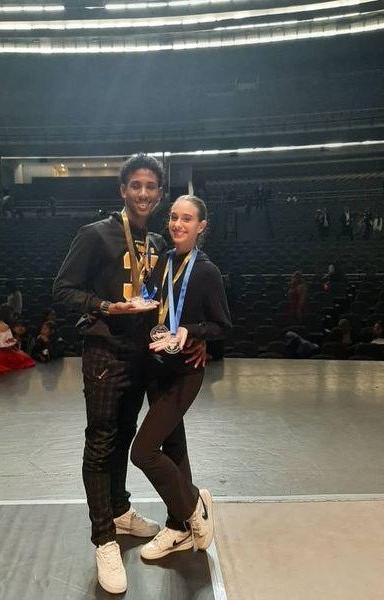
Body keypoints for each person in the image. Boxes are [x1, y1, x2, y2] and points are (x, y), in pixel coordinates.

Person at [53, 154, 205, 595]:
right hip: (105, 355)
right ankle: (104, 540)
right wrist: (104, 307)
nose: (143, 193)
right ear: (123, 190)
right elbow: (62, 290)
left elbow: (184, 294)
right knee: (101, 443)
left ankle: (119, 510)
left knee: (124, 436)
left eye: (151, 187)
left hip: (144, 357)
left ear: (159, 194)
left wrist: (197, 335)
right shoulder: (95, 235)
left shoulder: (158, 241)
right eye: (135, 185)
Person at [130, 195, 231, 562]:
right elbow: (156, 302)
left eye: (187, 219)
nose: (177, 224)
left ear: (201, 226)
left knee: (142, 452)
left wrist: (193, 332)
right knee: (174, 449)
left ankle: (191, 510)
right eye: (173, 217)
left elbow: (222, 325)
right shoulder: (163, 262)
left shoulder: (206, 271)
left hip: (185, 372)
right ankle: (178, 527)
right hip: (157, 369)